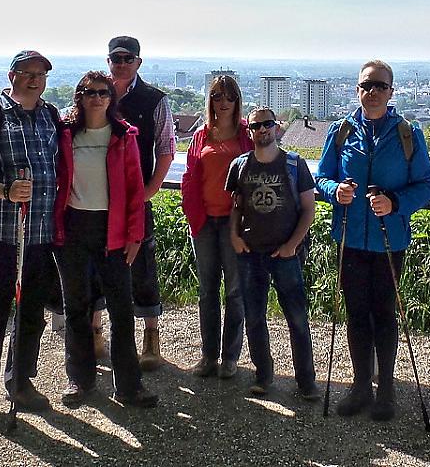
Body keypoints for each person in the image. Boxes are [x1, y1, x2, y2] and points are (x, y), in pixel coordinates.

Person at [315, 59, 430, 422]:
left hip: (389, 240)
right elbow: (322, 176)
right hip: (351, 238)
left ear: (391, 91)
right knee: (356, 314)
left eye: (380, 86)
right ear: (357, 90)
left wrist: (394, 202)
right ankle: (360, 385)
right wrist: (335, 191)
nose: (373, 92)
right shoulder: (340, 131)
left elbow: (426, 186)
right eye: (367, 85)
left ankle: (385, 389)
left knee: (384, 314)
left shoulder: (408, 134)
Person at [0, 50, 60, 422]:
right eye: (27, 73)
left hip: (40, 234)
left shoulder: (50, 116)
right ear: (12, 76)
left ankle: (20, 382)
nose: (35, 80)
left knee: (31, 314)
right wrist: (5, 191)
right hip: (2, 234)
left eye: (41, 74)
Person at [52, 71, 158, 408]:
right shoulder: (65, 134)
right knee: (76, 307)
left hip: (112, 230)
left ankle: (128, 386)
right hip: (73, 228)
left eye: (103, 92)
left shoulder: (124, 136)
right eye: (90, 92)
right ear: (80, 97)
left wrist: (135, 235)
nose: (96, 98)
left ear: (111, 98)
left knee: (121, 309)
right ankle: (79, 381)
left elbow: (135, 191)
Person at [225, 106, 320, 399]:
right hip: (250, 253)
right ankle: (263, 375)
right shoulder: (240, 166)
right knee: (254, 318)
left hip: (285, 254)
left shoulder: (294, 164)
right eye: (256, 126)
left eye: (267, 124)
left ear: (277, 127)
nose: (262, 130)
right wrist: (234, 237)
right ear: (250, 131)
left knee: (297, 319)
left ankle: (306, 381)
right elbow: (236, 207)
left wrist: (292, 245)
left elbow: (309, 209)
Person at [103, 36, 176, 370]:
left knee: (143, 266)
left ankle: (150, 337)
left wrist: (148, 192)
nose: (121, 64)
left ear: (138, 62)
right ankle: (95, 333)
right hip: (97, 198)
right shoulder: (95, 93)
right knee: (97, 265)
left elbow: (166, 148)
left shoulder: (154, 100)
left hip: (135, 198)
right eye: (116, 58)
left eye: (127, 58)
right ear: (108, 61)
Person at [181, 75, 253, 378]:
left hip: (235, 222)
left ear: (237, 101)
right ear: (210, 100)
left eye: (229, 96)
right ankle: (209, 356)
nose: (223, 102)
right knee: (207, 290)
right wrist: (191, 214)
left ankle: (230, 357)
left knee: (235, 291)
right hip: (204, 221)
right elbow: (190, 177)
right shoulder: (201, 135)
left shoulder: (246, 135)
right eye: (217, 96)